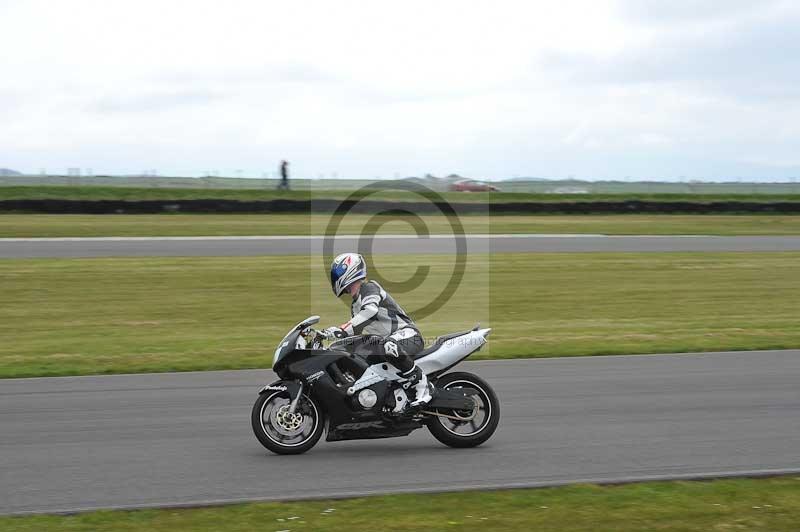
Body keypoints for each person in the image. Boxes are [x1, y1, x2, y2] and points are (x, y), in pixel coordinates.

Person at [324, 252, 432, 410]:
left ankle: (422, 384)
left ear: (349, 271)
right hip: (390, 344)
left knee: (387, 345)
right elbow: (353, 333)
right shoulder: (355, 306)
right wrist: (328, 336)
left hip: (409, 335)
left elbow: (370, 311)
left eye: (336, 274)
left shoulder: (369, 287)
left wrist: (343, 329)